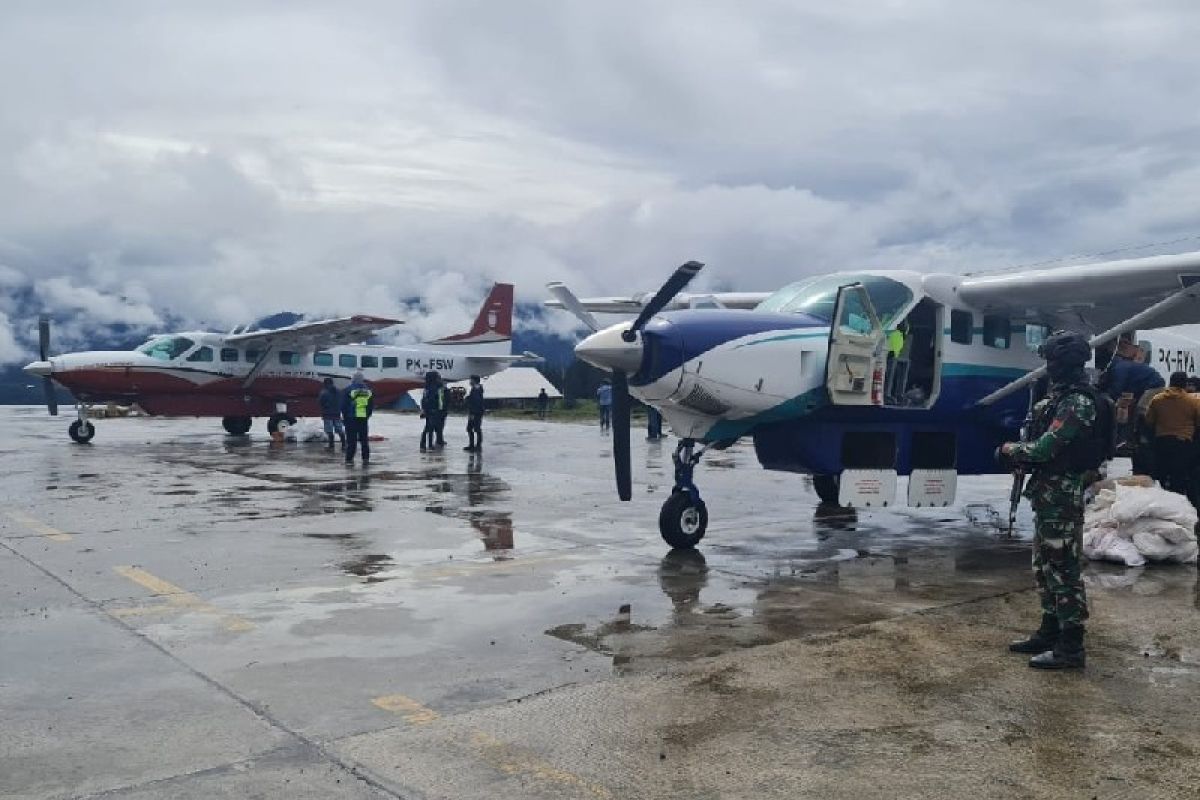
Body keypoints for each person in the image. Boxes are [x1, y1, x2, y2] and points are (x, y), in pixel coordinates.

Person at [999, 330, 1110, 671]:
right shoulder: (1059, 399)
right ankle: (1050, 630)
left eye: (1052, 362)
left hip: (1062, 494)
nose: (1048, 368)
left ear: (1065, 364)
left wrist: (1009, 450)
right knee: (1044, 566)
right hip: (1048, 493)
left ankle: (1071, 646)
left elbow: (1047, 447)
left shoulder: (1078, 402)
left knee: (1063, 568)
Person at [1143, 371, 1200, 496]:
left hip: (1161, 442)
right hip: (1183, 444)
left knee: (1160, 475)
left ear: (1170, 382)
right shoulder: (1192, 402)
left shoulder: (1157, 400)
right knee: (1178, 478)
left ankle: (1159, 501)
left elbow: (1149, 420)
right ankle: (1176, 505)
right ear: (1185, 384)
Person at [341, 371, 373, 466]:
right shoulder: (368, 391)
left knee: (351, 441)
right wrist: (367, 416)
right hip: (363, 419)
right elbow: (370, 406)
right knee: (364, 441)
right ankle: (365, 459)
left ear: (353, 379)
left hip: (351, 419)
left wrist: (344, 417)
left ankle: (349, 460)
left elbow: (343, 406)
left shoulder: (348, 390)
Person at [317, 377, 345, 451]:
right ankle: (344, 445)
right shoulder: (339, 391)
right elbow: (342, 401)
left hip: (327, 414)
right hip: (337, 414)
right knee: (339, 429)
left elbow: (320, 402)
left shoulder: (324, 392)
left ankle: (331, 445)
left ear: (325, 384)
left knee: (329, 430)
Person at [419, 371, 444, 451]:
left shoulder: (426, 387)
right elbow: (441, 400)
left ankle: (424, 444)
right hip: (435, 410)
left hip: (428, 410)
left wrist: (423, 409)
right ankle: (429, 445)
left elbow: (423, 399)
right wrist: (441, 410)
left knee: (428, 427)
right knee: (431, 428)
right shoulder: (438, 387)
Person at [464, 375, 484, 452]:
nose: (470, 381)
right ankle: (476, 445)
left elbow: (476, 402)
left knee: (472, 428)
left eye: (471, 380)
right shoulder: (477, 389)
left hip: (475, 412)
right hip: (477, 411)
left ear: (474, 380)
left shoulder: (476, 389)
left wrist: (472, 412)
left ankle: (474, 445)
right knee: (476, 428)